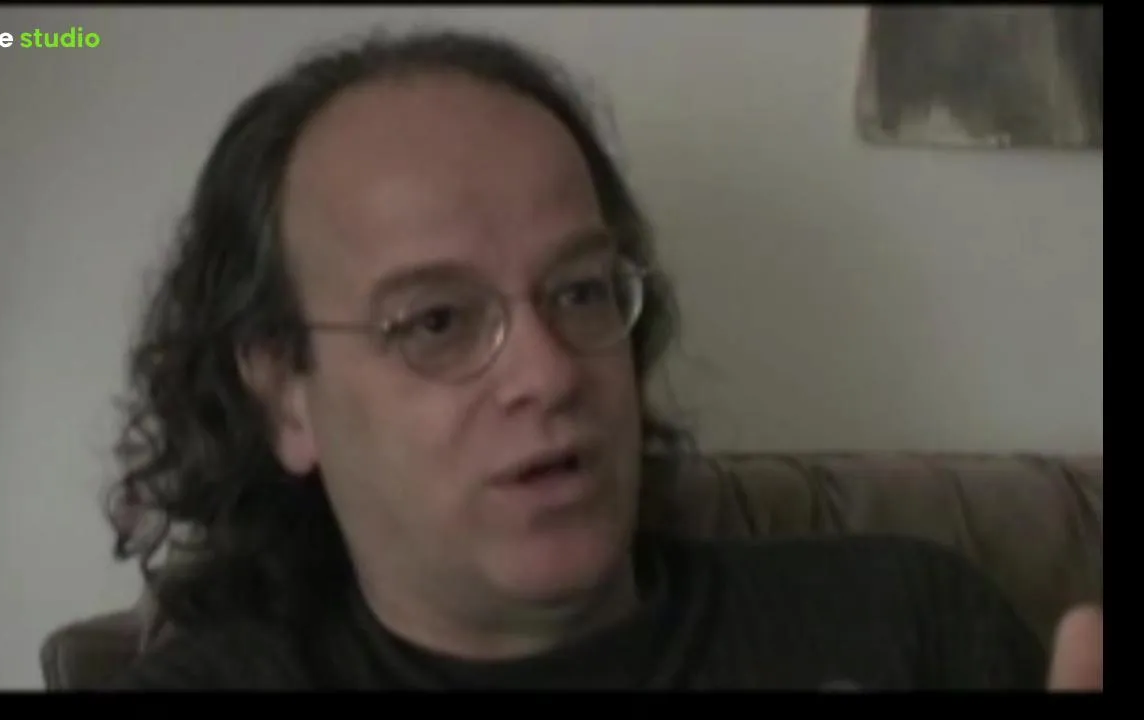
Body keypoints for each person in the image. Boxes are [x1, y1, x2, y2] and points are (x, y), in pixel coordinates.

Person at [102, 27, 1102, 691]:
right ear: (286, 399)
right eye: (437, 321)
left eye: (579, 291)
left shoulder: (905, 624)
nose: (548, 373)